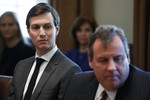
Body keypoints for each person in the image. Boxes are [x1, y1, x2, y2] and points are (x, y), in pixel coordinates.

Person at [8, 3, 81, 100]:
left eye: (47, 27)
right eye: (35, 27)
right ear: (29, 32)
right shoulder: (20, 67)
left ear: (57, 30)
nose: (42, 33)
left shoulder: (70, 70)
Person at [63, 25, 150, 100]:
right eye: (103, 60)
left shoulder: (146, 87)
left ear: (128, 57)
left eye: (117, 59)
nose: (112, 67)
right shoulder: (76, 83)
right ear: (90, 61)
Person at [0, 11, 35, 76]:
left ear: (17, 26)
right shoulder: (2, 49)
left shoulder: (27, 50)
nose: (6, 28)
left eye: (10, 24)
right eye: (3, 25)